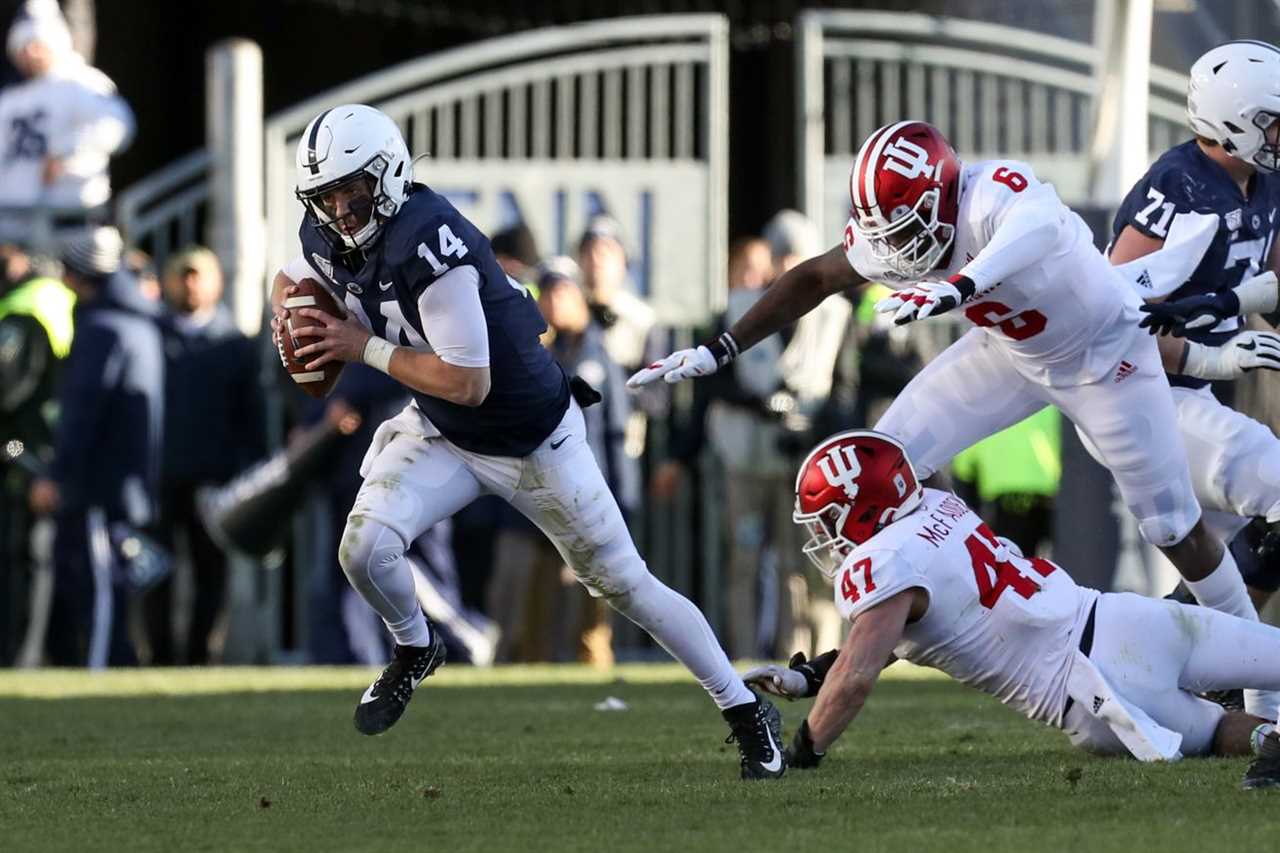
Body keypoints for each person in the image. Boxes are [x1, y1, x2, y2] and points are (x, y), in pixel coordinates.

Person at [629, 119, 1260, 682]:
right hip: (1011, 351)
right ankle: (902, 626)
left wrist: (960, 285)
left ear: (941, 198)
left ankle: (1256, 661)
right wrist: (721, 349)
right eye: (889, 236)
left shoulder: (993, 193)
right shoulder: (896, 232)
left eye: (908, 231)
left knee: (1172, 527)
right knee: (883, 465)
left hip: (1104, 358)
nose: (899, 252)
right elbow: (816, 277)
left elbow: (1035, 230)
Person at [269, 104, 784, 779]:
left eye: (352, 191)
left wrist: (357, 345)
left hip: (532, 436)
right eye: (326, 196)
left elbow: (470, 381)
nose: (339, 209)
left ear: (388, 175)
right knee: (363, 546)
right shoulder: (328, 230)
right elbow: (291, 280)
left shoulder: (430, 240)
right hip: (446, 431)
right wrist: (292, 313)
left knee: (625, 583)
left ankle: (746, 709)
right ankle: (414, 647)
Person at [742, 430, 1280, 790]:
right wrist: (814, 676)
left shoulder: (884, 564)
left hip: (1090, 695)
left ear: (861, 510)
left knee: (1221, 732)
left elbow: (860, 672)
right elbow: (890, 639)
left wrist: (802, 752)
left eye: (829, 518)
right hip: (1123, 621)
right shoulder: (934, 504)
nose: (825, 534)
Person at [1107, 41, 1280, 610]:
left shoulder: (1263, 180)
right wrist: (1207, 358)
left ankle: (1194, 672)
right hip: (1138, 395)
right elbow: (1108, 318)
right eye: (1273, 123)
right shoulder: (1178, 186)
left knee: (1227, 559)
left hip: (1189, 396)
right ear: (1234, 120)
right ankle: (1216, 668)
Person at [28, 226, 163, 667]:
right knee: (111, 582)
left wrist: (57, 475)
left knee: (101, 586)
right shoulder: (137, 322)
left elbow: (81, 413)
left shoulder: (102, 329)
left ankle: (103, 668)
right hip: (125, 482)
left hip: (97, 485)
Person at [145, 247, 264, 664]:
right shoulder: (150, 335)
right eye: (183, 275)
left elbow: (250, 415)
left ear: (216, 282)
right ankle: (158, 656)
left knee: (210, 573)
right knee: (155, 570)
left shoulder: (233, 344)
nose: (191, 284)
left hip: (214, 477)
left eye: (199, 276)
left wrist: (246, 472)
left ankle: (199, 656)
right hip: (158, 478)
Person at [0, 2, 133, 243]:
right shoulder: (9, 100)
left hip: (73, 225)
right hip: (14, 229)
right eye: (22, 46)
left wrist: (64, 152)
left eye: (36, 43)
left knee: (117, 281)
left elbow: (117, 125)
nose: (30, 53)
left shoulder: (81, 83)